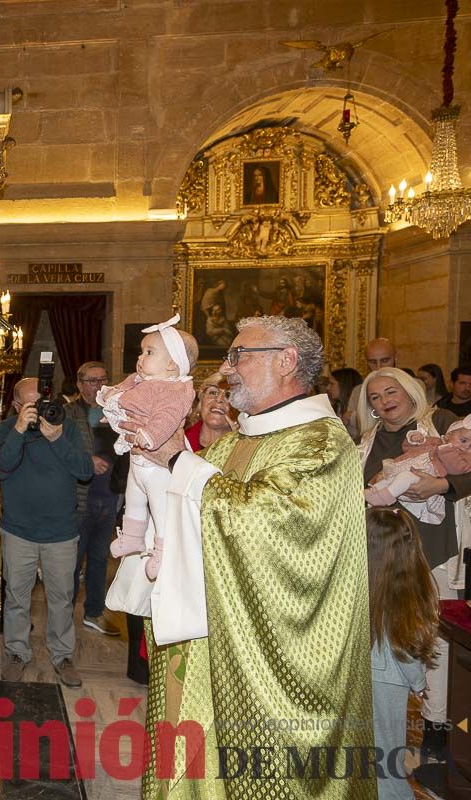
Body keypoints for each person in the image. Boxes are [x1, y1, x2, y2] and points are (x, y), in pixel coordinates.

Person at [134, 316, 375, 799]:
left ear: (286, 361)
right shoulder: (241, 437)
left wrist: (180, 465)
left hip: (274, 656)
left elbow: (267, 522)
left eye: (238, 356)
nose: (227, 370)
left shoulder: (320, 441)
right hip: (208, 642)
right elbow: (191, 504)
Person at [354, 367, 469, 757]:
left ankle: (440, 727)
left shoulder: (440, 422)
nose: (385, 400)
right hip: (384, 560)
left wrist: (440, 485)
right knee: (388, 643)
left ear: (409, 390)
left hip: (435, 552)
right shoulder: (366, 442)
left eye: (391, 391)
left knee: (436, 639)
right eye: (375, 397)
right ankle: (390, 731)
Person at [0, 377, 94, 687]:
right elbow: (1, 468)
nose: (39, 410)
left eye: (43, 402)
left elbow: (85, 471)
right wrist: (21, 431)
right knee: (16, 598)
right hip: (19, 530)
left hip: (61, 532)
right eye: (31, 405)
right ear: (17, 406)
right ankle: (16, 653)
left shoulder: (68, 427)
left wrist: (58, 438)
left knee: (62, 599)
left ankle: (62, 656)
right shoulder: (6, 429)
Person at [100, 315, 198, 580]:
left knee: (159, 504)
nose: (141, 358)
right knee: (133, 497)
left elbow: (167, 417)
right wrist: (111, 400)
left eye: (149, 352)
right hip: (137, 460)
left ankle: (163, 550)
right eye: (141, 352)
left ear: (171, 364)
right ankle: (132, 537)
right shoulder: (139, 379)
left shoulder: (177, 390)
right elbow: (122, 390)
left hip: (157, 464)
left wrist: (151, 435)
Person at [365, 508, 439, 800]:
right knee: (385, 760)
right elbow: (410, 650)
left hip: (352, 683)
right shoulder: (407, 603)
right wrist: (419, 683)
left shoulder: (347, 595)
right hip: (388, 690)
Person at [62, 362, 122, 637]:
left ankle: (93, 612)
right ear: (80, 384)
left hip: (109, 495)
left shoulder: (116, 412)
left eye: (103, 379)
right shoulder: (68, 413)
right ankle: (63, 617)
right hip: (79, 497)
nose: (99, 385)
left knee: (100, 559)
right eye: (92, 380)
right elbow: (58, 449)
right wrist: (88, 460)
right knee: (72, 561)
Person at [364, 418, 471, 521]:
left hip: (423, 477)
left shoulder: (464, 459)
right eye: (463, 440)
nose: (465, 447)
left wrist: (448, 449)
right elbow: (407, 447)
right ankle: (373, 495)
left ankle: (386, 498)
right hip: (406, 467)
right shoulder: (435, 441)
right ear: (448, 435)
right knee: (389, 479)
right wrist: (415, 439)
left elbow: (456, 468)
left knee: (405, 477)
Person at [183, 373, 235, 452]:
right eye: (213, 393)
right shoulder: (181, 441)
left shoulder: (244, 446)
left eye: (228, 395)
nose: (219, 399)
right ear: (202, 400)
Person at [327, 366, 363, 439]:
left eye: (332, 384)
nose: (328, 387)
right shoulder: (338, 406)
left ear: (343, 385)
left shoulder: (359, 408)